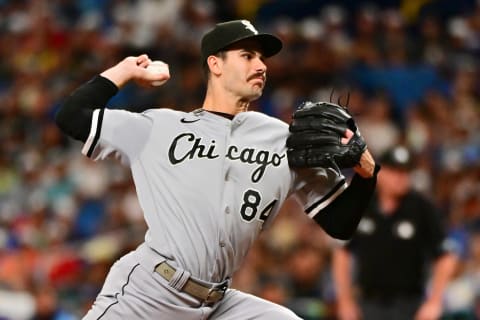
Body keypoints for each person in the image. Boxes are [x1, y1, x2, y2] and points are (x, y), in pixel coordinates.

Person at [55, 19, 379, 319]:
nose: (261, 66)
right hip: (148, 294)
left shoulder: (285, 140)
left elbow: (340, 223)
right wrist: (125, 71)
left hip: (218, 304)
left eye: (263, 59)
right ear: (215, 63)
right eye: (247, 55)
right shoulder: (159, 127)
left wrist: (367, 171)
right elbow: (71, 116)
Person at [332, 145, 459, 320]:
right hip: (368, 303)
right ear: (381, 172)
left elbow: (446, 256)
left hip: (409, 305)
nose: (401, 178)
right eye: (395, 171)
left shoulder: (422, 207)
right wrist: (345, 301)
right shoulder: (363, 204)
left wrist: (435, 301)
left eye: (405, 172)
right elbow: (342, 253)